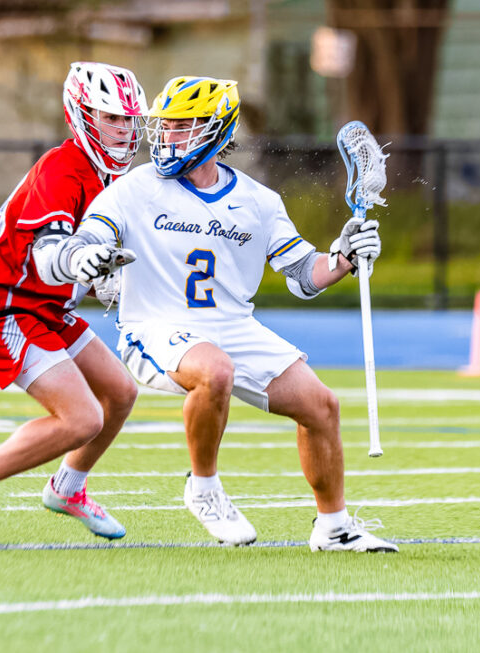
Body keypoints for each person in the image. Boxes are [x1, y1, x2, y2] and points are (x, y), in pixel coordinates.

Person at [43, 76, 399, 553]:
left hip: (233, 327)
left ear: (216, 131)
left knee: (321, 406)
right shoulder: (135, 189)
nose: (167, 136)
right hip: (156, 325)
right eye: (165, 126)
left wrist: (343, 257)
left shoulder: (258, 201)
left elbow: (303, 275)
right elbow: (90, 237)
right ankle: (204, 488)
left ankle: (333, 527)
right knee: (215, 370)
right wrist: (86, 255)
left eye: (183, 126)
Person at [0, 62, 147, 549]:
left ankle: (66, 490)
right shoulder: (62, 167)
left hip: (43, 304)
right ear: (81, 115)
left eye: (131, 121)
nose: (125, 131)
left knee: (121, 392)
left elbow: (87, 275)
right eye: (112, 118)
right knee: (81, 418)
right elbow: (50, 260)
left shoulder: (112, 180)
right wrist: (86, 263)